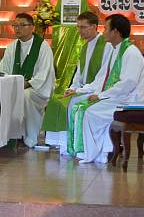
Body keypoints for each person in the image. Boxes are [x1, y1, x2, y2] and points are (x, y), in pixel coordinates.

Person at [70, 14, 144, 164]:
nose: (103, 32)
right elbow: (101, 78)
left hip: (130, 101)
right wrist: (83, 91)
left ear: (116, 32)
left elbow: (128, 84)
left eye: (106, 29)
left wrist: (101, 96)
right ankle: (99, 152)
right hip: (117, 98)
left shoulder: (131, 53)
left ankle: (96, 153)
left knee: (90, 112)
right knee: (83, 106)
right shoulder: (115, 50)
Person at [45, 11, 112, 154]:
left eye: (83, 27)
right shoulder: (84, 47)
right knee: (56, 100)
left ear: (94, 27)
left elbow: (102, 78)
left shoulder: (106, 46)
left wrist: (80, 91)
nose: (79, 31)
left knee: (73, 103)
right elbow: (79, 75)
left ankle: (78, 146)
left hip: (98, 91)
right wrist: (72, 88)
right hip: (84, 89)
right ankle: (61, 144)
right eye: (78, 27)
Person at [0, 13, 55, 147]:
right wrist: (10, 83)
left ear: (32, 27)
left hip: (38, 90)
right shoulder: (12, 47)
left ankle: (30, 137)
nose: (18, 29)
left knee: (25, 95)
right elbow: (4, 68)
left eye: (22, 25)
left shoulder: (43, 47)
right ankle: (10, 136)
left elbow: (44, 73)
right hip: (16, 87)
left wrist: (27, 83)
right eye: (15, 25)